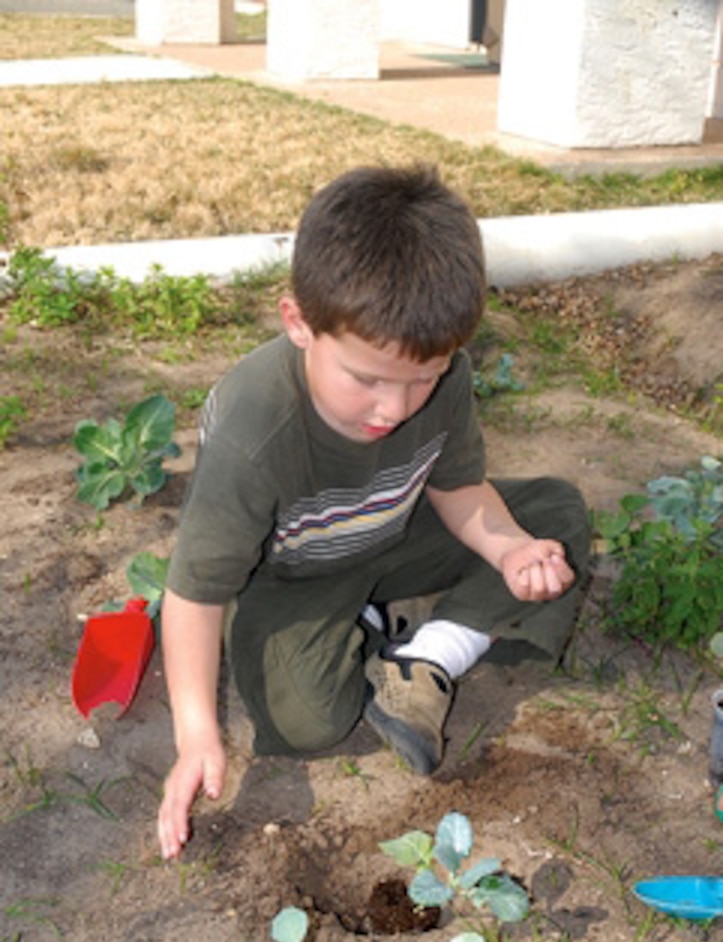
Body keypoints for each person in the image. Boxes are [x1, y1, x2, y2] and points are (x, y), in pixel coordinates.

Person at [157, 164, 589, 860]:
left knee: (553, 514)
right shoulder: (254, 426)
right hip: (292, 575)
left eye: (426, 376)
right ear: (299, 321)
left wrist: (510, 548)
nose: (395, 407)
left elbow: (456, 489)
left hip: (393, 529)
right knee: (305, 722)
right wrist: (197, 736)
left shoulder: (442, 374)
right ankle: (362, 620)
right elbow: (192, 593)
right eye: (366, 379)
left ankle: (427, 655)